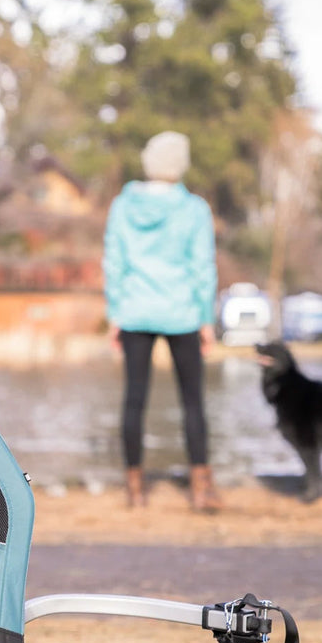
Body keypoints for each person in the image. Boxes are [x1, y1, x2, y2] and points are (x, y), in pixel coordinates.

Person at [102, 130, 221, 511]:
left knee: (134, 400)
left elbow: (114, 263)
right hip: (183, 312)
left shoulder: (123, 206)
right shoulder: (194, 209)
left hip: (134, 311)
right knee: (193, 400)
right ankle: (201, 489)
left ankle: (135, 490)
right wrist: (206, 319)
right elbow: (202, 267)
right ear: (180, 164)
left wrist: (115, 314)